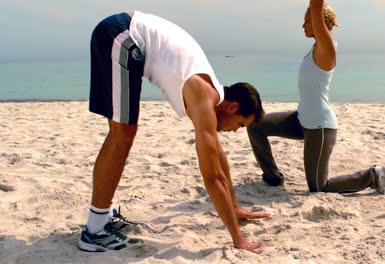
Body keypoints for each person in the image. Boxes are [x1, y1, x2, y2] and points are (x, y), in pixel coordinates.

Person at [79, 10, 270, 254]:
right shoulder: (203, 97)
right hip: (123, 35)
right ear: (233, 107)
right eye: (241, 124)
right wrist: (238, 239)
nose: (234, 132)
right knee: (122, 134)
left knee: (124, 132)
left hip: (125, 34)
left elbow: (218, 158)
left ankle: (101, 219)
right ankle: (94, 231)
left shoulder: (210, 93)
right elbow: (212, 178)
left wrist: (234, 206)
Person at [247, 0, 385, 194]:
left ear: (319, 22)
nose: (303, 25)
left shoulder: (327, 48)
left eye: (307, 21)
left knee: (318, 187)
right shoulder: (315, 48)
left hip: (319, 126)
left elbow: (316, 6)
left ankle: (372, 175)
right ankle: (272, 178)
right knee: (256, 126)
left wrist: (314, 9)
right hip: (301, 118)